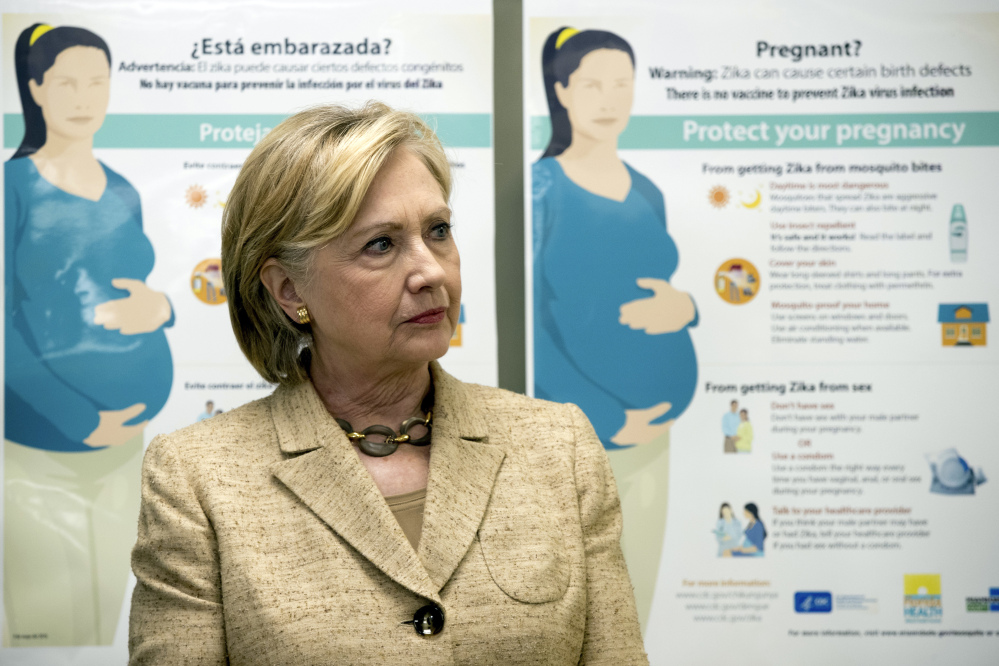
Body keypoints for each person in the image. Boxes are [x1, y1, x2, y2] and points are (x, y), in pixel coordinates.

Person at [128, 103, 648, 664]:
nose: (431, 272)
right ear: (289, 290)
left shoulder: (558, 446)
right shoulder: (199, 479)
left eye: (438, 231)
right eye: (381, 244)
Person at [4, 23, 173, 647]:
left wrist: (162, 308)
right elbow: (2, 330)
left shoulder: (123, 189)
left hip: (126, 449)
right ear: (36, 88)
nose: (84, 96)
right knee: (45, 632)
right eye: (67, 81)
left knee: (108, 626)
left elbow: (135, 284)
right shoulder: (10, 190)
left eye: (97, 81)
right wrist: (80, 420)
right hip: (39, 451)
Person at [532, 24, 699, 627]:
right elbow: (533, 326)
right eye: (593, 83)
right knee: (577, 609)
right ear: (563, 91)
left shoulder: (648, 191)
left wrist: (687, 308)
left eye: (622, 83)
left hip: (655, 433)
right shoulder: (541, 190)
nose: (610, 98)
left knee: (639, 598)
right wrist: (606, 417)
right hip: (580, 434)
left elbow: (657, 285)